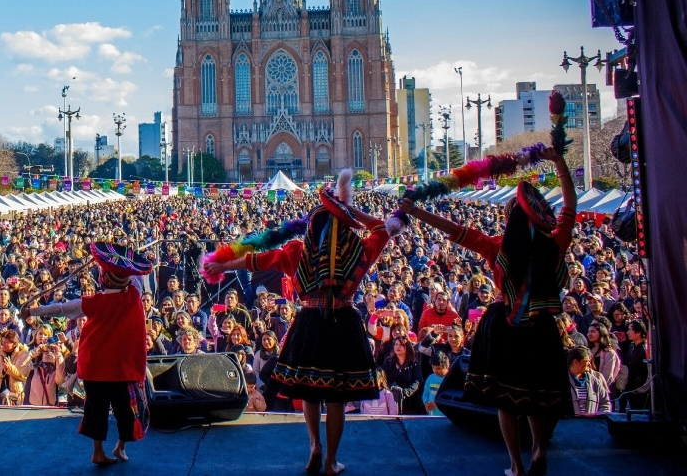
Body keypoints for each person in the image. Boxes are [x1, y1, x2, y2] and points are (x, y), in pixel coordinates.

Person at [399, 143, 576, 476]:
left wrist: (417, 212)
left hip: (506, 327)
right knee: (536, 395)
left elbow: (456, 231)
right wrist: (560, 162)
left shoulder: (499, 248)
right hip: (541, 328)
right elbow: (570, 206)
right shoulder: (555, 243)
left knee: (505, 400)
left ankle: (515, 465)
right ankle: (538, 448)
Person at [204, 170, 395, 476]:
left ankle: (314, 447)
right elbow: (384, 228)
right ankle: (332, 461)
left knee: (309, 390)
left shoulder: (297, 251)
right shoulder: (359, 251)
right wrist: (347, 211)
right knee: (335, 395)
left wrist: (222, 264)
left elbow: (258, 260)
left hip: (309, 321)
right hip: (343, 321)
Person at [24, 242, 152, 466]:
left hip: (96, 367)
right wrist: (119, 260)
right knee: (127, 411)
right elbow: (134, 276)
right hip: (123, 368)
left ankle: (98, 451)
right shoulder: (134, 296)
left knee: (96, 411)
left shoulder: (94, 302)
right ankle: (120, 447)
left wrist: (33, 310)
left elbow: (61, 308)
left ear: (104, 278)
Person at [568, 347, 611, 416]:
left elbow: (605, 403)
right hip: (568, 424)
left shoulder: (595, 381)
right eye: (587, 361)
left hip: (591, 424)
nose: (590, 364)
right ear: (575, 362)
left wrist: (598, 416)